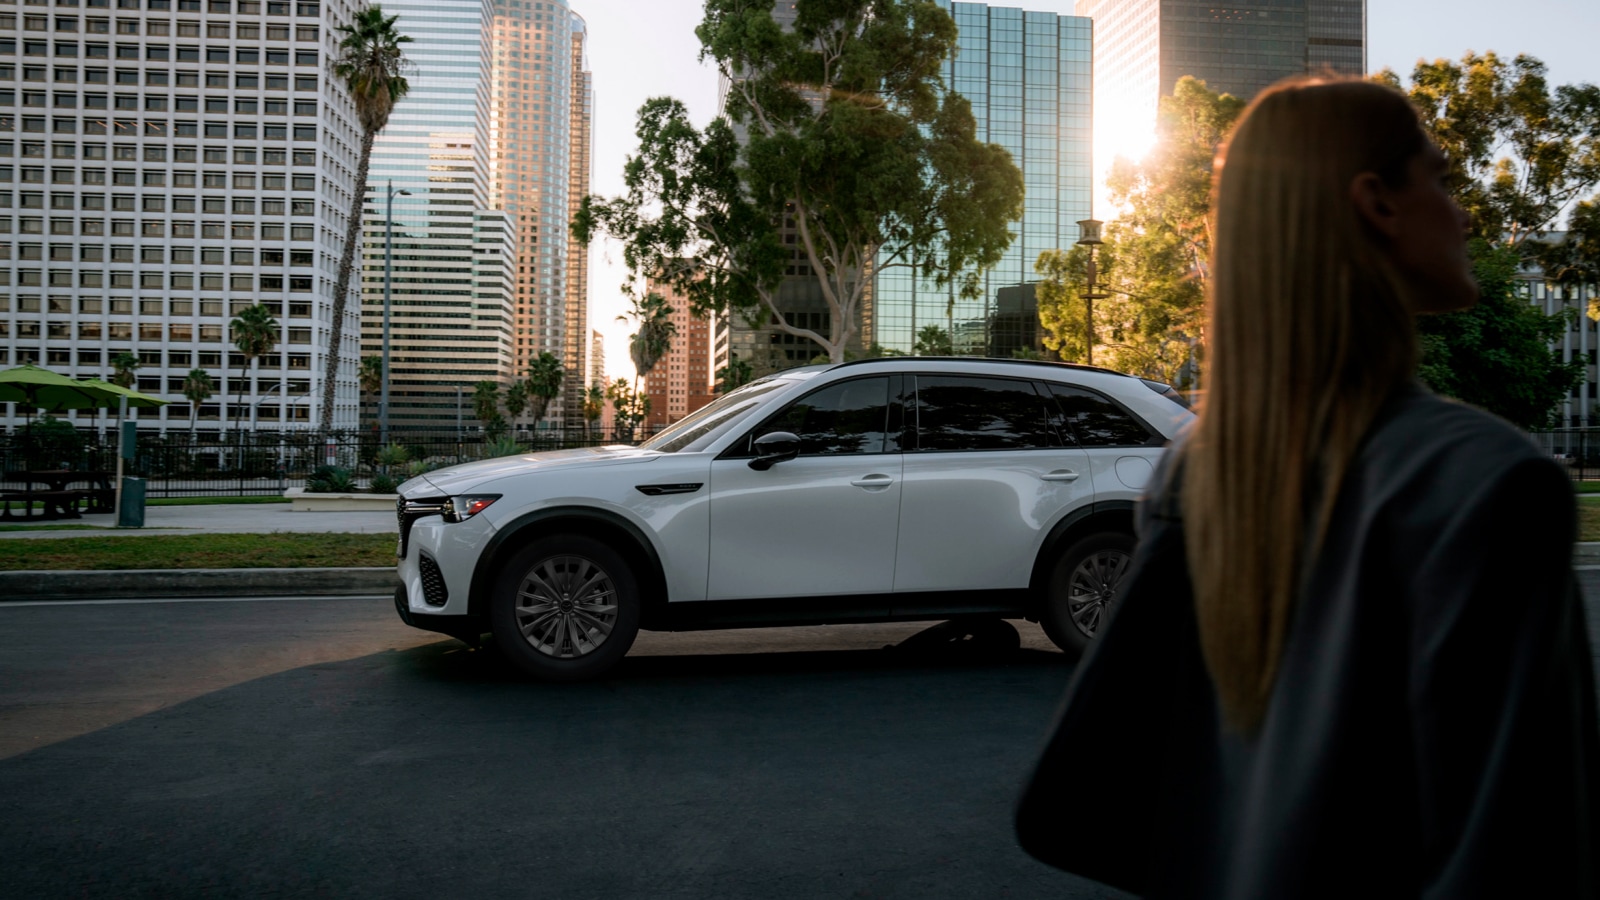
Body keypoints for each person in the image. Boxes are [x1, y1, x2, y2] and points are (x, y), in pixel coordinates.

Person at [1016, 77, 1600, 898]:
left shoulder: (1201, 472)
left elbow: (1088, 803)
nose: (1463, 213)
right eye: (1441, 178)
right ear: (1377, 204)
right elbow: (1525, 854)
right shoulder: (1494, 485)